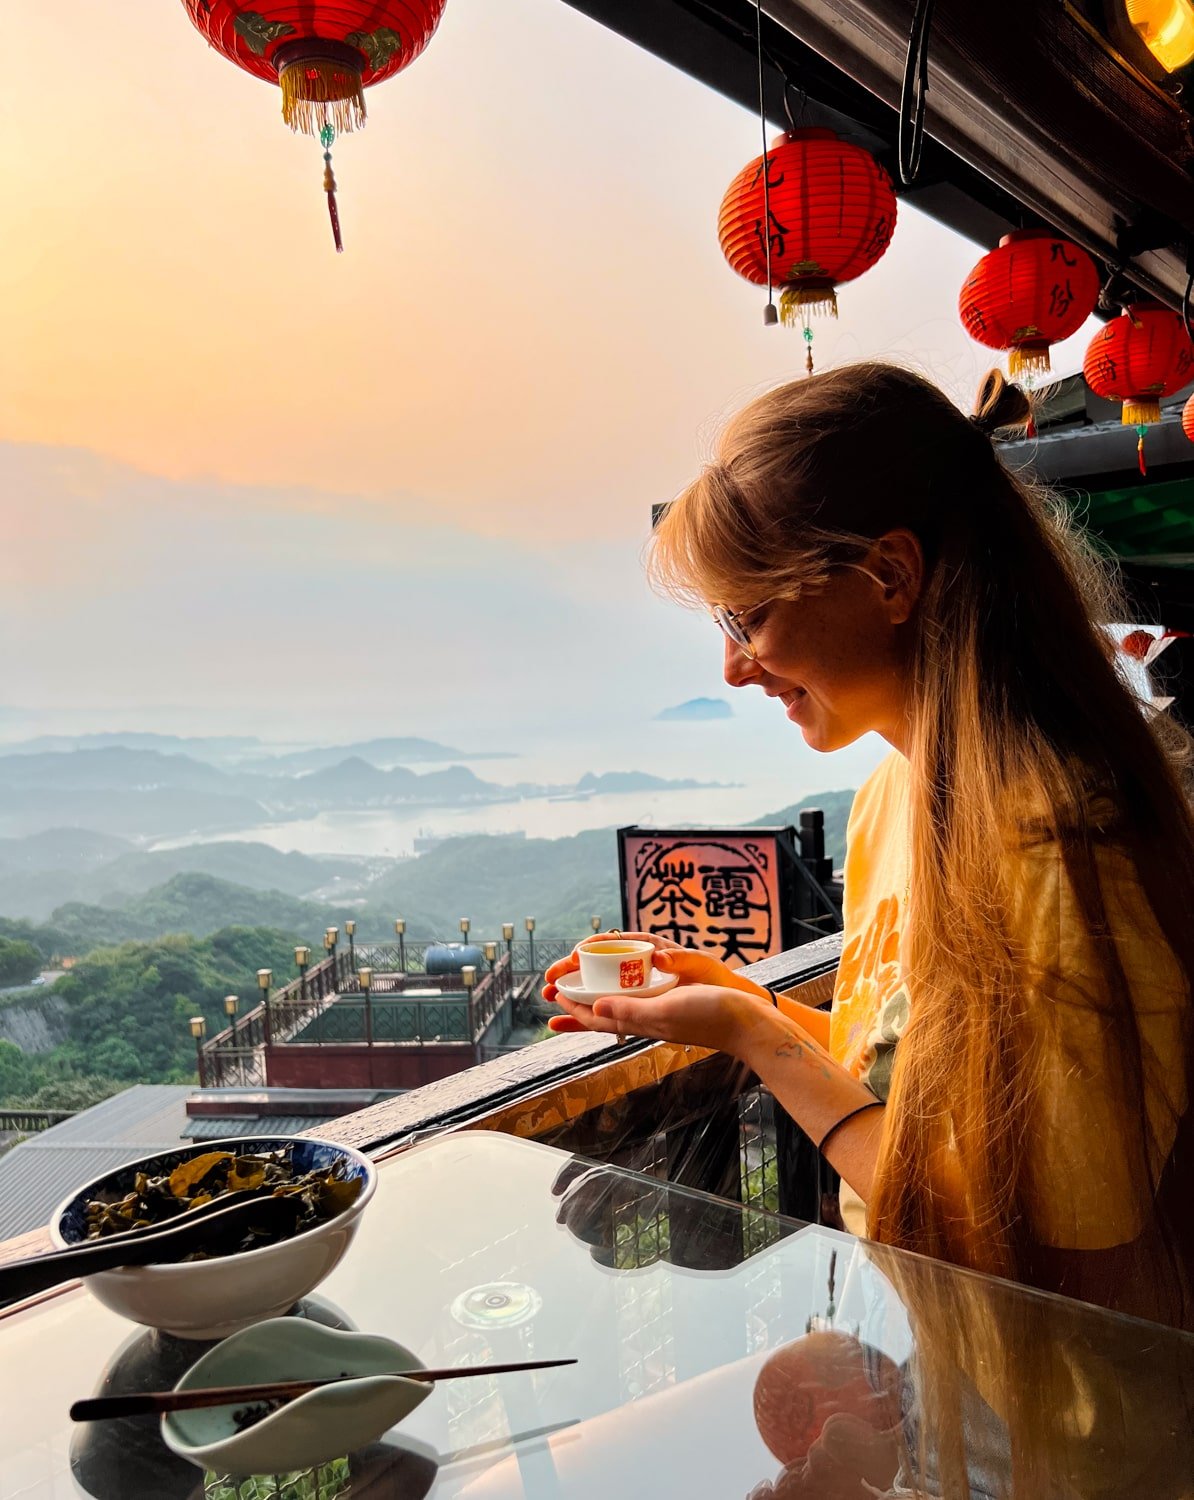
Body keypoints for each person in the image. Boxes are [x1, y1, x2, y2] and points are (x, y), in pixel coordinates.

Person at [545, 361, 1194, 1334]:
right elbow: (901, 1077)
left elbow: (1057, 1265)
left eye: (747, 615)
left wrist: (753, 1038)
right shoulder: (894, 795)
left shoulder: (1060, 841)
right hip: (951, 1377)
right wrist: (743, 1003)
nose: (732, 666)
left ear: (889, 575)